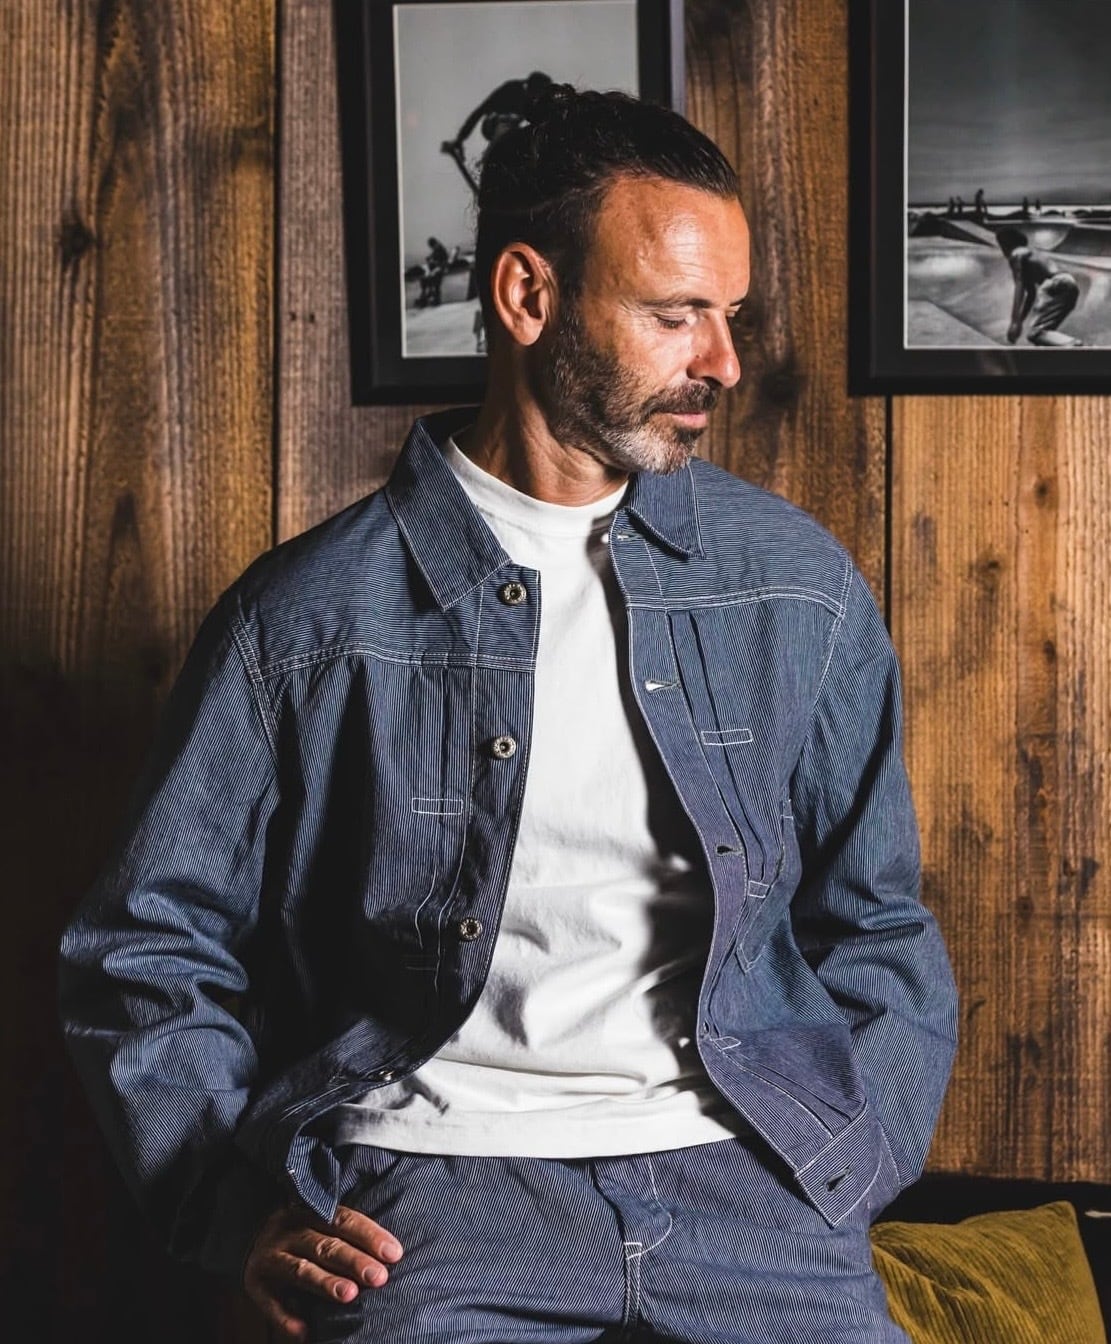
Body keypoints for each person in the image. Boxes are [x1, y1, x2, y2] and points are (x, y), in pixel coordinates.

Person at [60, 88, 957, 1343]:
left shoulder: (794, 586)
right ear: (528, 297)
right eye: (674, 315)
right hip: (429, 1199)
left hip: (752, 1187)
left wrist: (853, 1163)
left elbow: (876, 919)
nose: (722, 362)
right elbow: (147, 942)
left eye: (730, 315)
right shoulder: (306, 617)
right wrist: (231, 1200)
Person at [996, 225, 1083, 347]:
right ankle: (1069, 346)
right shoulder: (1030, 254)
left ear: (1006, 245)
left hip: (1055, 284)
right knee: (1043, 335)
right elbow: (1031, 294)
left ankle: (1074, 346)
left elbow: (1019, 287)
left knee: (1036, 333)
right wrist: (1020, 321)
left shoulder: (1016, 254)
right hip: (1069, 283)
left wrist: (1014, 322)